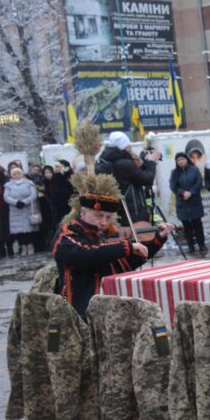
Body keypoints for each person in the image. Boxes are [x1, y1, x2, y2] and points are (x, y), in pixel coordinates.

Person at [52, 175, 172, 317]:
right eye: (99, 216)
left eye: (108, 218)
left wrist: (158, 239)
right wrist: (127, 247)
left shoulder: (101, 237)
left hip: (109, 306)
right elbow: (84, 255)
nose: (104, 223)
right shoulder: (66, 234)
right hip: (78, 311)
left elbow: (126, 264)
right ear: (83, 213)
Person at [96, 131, 159, 223]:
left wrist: (143, 162)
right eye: (128, 146)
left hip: (116, 212)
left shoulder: (104, 162)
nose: (130, 149)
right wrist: (151, 162)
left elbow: (134, 177)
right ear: (124, 147)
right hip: (133, 213)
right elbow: (147, 180)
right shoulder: (125, 164)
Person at [169, 152, 207, 253]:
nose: (180, 161)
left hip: (194, 200)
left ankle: (201, 244)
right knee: (186, 225)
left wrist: (191, 192)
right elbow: (173, 186)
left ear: (186, 159)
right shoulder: (174, 172)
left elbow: (199, 182)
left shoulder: (194, 169)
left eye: (182, 159)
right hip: (182, 202)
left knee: (197, 223)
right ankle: (191, 246)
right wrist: (182, 193)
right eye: (178, 160)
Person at [4, 165, 39, 255]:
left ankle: (30, 246)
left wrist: (24, 202)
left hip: (27, 209)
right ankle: (23, 247)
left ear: (22, 173)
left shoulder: (29, 183)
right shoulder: (8, 185)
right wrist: (16, 202)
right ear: (11, 175)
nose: (17, 175)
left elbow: (33, 195)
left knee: (29, 229)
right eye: (14, 174)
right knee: (19, 231)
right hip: (15, 210)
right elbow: (6, 197)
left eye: (18, 173)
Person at [45, 161, 74, 230]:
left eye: (57, 166)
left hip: (67, 206)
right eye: (54, 167)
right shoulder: (54, 178)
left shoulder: (68, 176)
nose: (55, 168)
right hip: (56, 208)